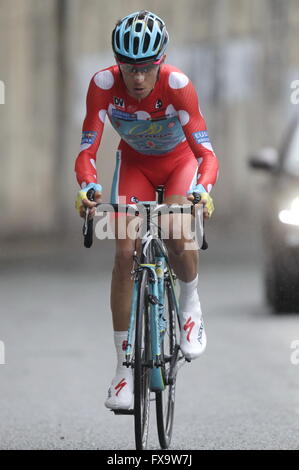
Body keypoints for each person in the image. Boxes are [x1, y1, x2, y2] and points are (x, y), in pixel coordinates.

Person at [75, 10, 219, 410]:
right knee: (123, 254)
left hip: (178, 163)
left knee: (174, 228)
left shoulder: (178, 85)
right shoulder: (103, 85)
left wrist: (203, 190)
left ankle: (190, 303)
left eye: (145, 68)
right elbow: (87, 149)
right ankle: (123, 371)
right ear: (117, 62)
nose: (136, 78)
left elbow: (205, 153)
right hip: (135, 164)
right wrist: (88, 186)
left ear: (161, 61)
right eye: (128, 67)